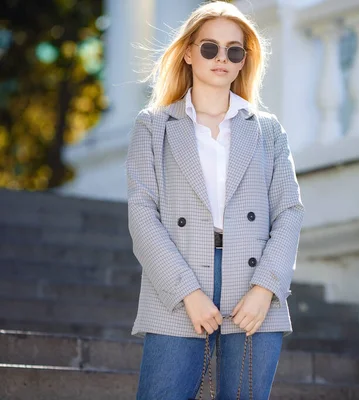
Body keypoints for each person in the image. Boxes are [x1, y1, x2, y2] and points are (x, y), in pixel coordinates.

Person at [125, 1, 304, 399]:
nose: (221, 58)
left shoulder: (268, 131)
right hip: (177, 281)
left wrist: (265, 290)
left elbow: (289, 211)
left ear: (243, 61)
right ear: (188, 52)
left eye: (233, 50)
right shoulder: (153, 127)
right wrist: (187, 291)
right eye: (210, 47)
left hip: (253, 287)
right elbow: (142, 214)